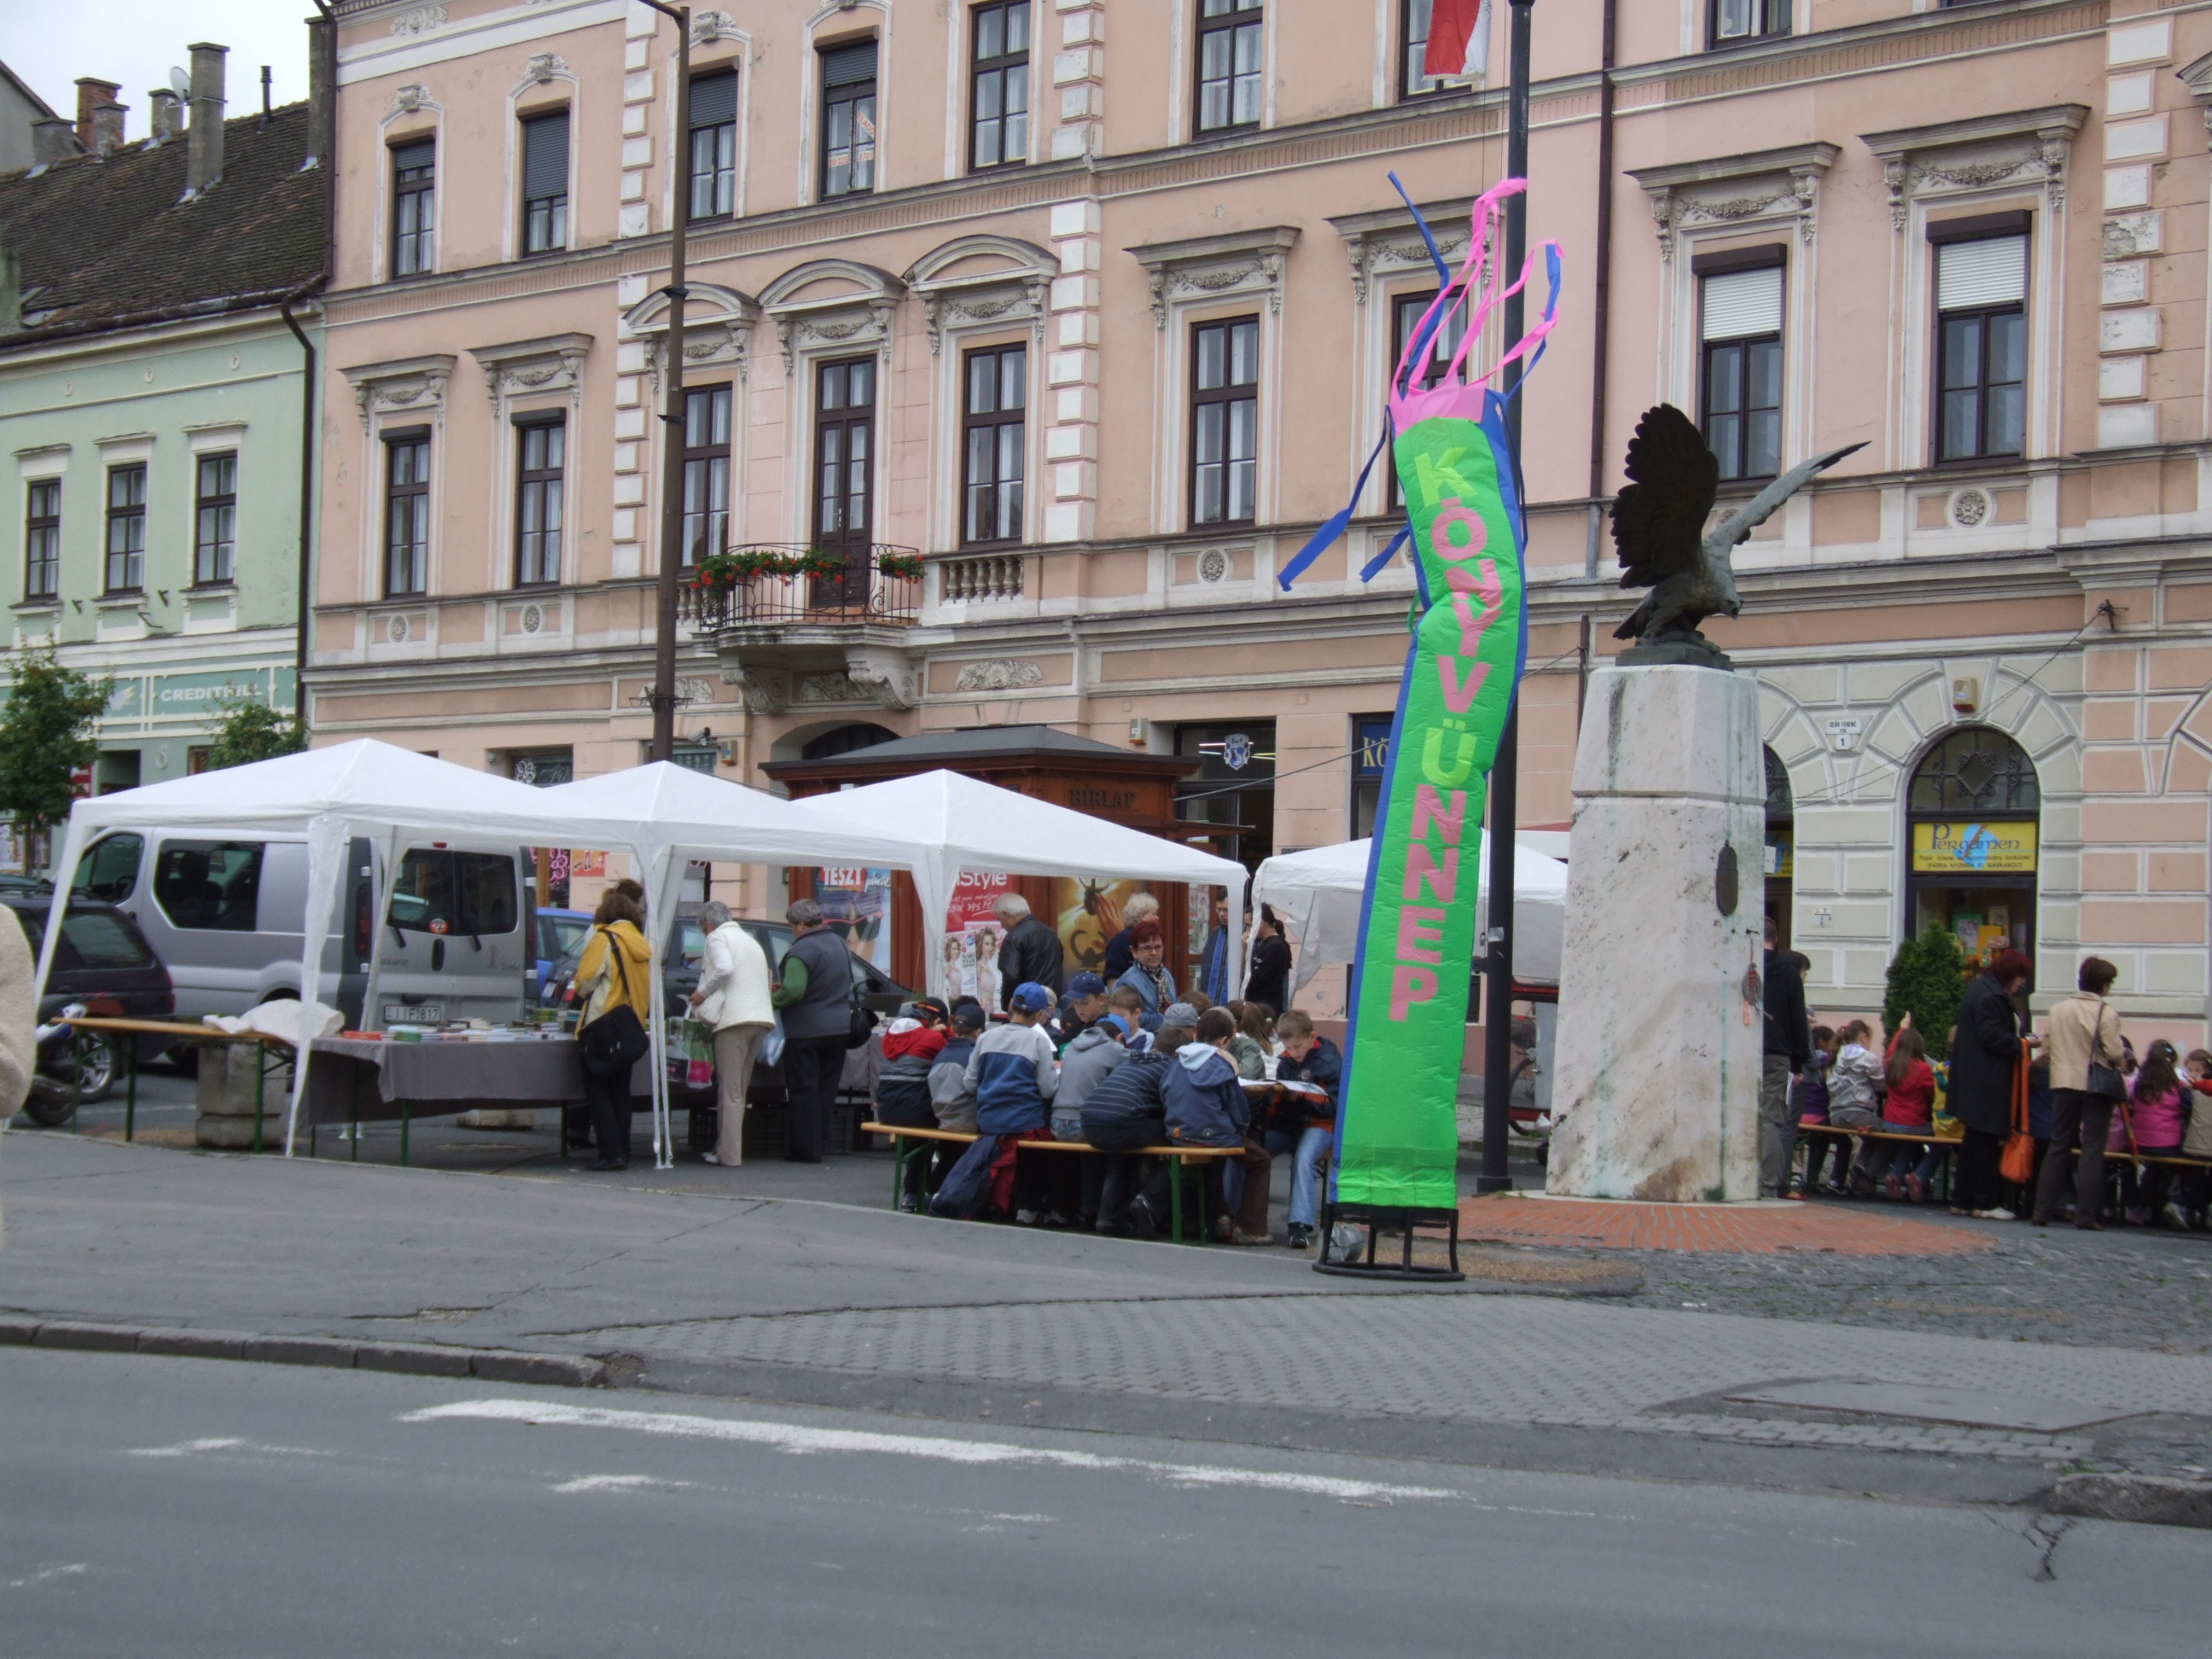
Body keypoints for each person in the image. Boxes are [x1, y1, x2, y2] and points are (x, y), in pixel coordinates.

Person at [2033, 956, 2129, 1231]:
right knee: (2092, 1150)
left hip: (2063, 1081)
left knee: (2058, 1146)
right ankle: (2086, 1215)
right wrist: (2122, 1060)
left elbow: (2047, 1049)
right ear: (2104, 984)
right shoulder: (2106, 1012)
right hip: (2095, 1084)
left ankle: (2041, 1211)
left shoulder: (2058, 1010)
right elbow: (2114, 1052)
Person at [1163, 1006, 1271, 1244]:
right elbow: (1237, 1109)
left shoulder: (1177, 1060)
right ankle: (1251, 1227)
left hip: (1178, 1133)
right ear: (1223, 1041)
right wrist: (1241, 1129)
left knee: (1214, 1159)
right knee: (1260, 1160)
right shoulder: (1221, 1063)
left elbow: (1165, 1093)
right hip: (1215, 1135)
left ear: (1196, 1034)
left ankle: (1219, 1218)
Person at [1944, 947, 2033, 1218]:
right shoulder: (1990, 996)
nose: (2022, 983)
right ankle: (1984, 1203)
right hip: (1986, 1080)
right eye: (2021, 976)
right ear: (2010, 973)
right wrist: (2023, 1043)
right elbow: (1991, 1035)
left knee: (1973, 1140)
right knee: (1984, 1142)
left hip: (1976, 1078)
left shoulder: (1981, 990)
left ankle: (1962, 1199)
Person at [964, 981, 1062, 1221]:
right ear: (1039, 1015)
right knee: (1050, 1149)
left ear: (1010, 1006)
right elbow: (1048, 1090)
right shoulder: (1038, 1041)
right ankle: (1031, 1207)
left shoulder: (986, 1038)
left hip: (988, 1122)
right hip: (1024, 1124)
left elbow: (970, 1084)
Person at [687, 901, 774, 1167]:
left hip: (733, 1020)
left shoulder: (717, 937)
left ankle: (729, 1154)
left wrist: (701, 993)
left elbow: (724, 968)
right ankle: (727, 1149)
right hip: (761, 1018)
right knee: (739, 1091)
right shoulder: (750, 941)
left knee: (730, 1091)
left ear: (708, 925)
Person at [573, 882, 653, 1171]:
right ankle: (623, 1148)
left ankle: (610, 1152)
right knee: (620, 1091)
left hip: (603, 1023)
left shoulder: (604, 938)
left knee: (598, 1091)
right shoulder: (640, 943)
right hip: (630, 1025)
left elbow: (585, 982)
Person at [772, 897, 858, 1165]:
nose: (792, 931)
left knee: (803, 1089)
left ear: (800, 924)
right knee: (826, 1089)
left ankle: (805, 1150)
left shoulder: (802, 949)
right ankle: (821, 1143)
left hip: (806, 1030)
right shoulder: (839, 943)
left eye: (792, 926)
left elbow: (794, 991)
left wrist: (773, 999)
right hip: (839, 1028)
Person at [1080, 1027, 1179, 1237]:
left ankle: (1109, 1217)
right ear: (1179, 1053)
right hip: (1123, 1123)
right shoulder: (1170, 1068)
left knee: (1123, 1151)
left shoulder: (1129, 1061)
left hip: (1089, 1122)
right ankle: (1149, 1201)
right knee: (1182, 1139)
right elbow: (1175, 1107)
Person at [1270, 1008, 1341, 1251]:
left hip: (1320, 1123)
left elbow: (1334, 1106)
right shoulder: (1286, 1061)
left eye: (1298, 1046)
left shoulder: (1329, 1061)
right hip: (1292, 1122)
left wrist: (1300, 1097)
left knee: (1303, 1158)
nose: (1294, 1053)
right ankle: (1237, 1218)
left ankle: (1299, 1225)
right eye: (1288, 1048)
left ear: (1312, 1037)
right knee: (1255, 1150)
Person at [874, 998, 950, 1211]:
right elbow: (954, 1051)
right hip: (916, 1112)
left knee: (918, 1142)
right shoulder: (933, 1039)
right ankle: (929, 1192)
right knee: (951, 1139)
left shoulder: (890, 1037)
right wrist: (944, 1032)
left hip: (887, 1110)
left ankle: (911, 1195)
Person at [1759, 917, 1812, 1200]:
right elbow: (1797, 1021)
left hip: (1744, 1053)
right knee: (1770, 1120)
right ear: (1776, 940)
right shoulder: (1789, 973)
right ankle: (1767, 1185)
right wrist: (1799, 1062)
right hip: (1776, 1053)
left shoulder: (1745, 966)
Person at [2119, 1038, 2187, 1228]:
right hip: (2169, 1145)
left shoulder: (2139, 1083)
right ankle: (2168, 1206)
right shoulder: (2177, 1085)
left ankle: (2145, 1206)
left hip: (2141, 1143)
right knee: (2173, 1167)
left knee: (2152, 1170)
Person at [1869, 1018, 1936, 1202]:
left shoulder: (1890, 1064)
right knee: (1939, 1139)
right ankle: (1918, 1177)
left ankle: (1896, 1176)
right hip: (1913, 1123)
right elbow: (1932, 1090)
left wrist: (1901, 1030)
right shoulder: (1922, 1068)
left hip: (1890, 1122)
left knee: (1910, 1141)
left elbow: (1891, 1050)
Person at [1826, 1020, 1884, 1195]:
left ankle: (1836, 1181)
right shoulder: (1866, 1057)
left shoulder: (1837, 1054)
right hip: (1857, 1112)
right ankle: (1861, 1169)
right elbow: (1881, 1084)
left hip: (1835, 1114)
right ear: (1864, 1037)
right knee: (1887, 1134)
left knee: (1845, 1142)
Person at [1794, 1026, 1842, 1196]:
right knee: (1828, 1139)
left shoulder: (1803, 1060)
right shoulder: (1828, 1061)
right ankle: (1817, 1178)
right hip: (1818, 1115)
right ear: (1822, 1042)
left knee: (1804, 1139)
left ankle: (1798, 1176)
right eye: (1833, 1042)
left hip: (1799, 1114)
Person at [993, 893, 1064, 1010]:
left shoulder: (1014, 937)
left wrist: (1008, 1007)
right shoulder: (1051, 934)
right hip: (1052, 1005)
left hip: (1027, 1008)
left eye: (1000, 920)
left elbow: (1010, 976)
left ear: (1006, 914)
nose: (1001, 926)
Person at [929, 1001, 985, 1132]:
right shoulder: (976, 1057)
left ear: (952, 1029)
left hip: (943, 1123)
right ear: (978, 1033)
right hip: (972, 1125)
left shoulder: (939, 1056)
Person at [1115, 917, 1177, 1016]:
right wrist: (1171, 1019)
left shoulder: (1165, 974)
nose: (1154, 953)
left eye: (1158, 947)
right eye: (1147, 948)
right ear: (1134, 951)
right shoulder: (1127, 982)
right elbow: (1135, 1018)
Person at [1102, 891, 1161, 983]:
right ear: (1142, 916)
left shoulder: (1154, 939)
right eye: (1153, 914)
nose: (1157, 918)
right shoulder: (1120, 940)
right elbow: (1112, 976)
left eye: (1158, 947)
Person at [1244, 905, 1292, 1019]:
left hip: (1267, 1010)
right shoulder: (1264, 944)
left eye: (1249, 925)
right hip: (1261, 1008)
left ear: (1261, 923)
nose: (1247, 930)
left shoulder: (1275, 946)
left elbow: (1255, 979)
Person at [1051, 971, 1110, 1049]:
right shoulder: (1072, 1031)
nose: (1079, 1008)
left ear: (1102, 999)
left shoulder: (1109, 1029)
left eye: (1085, 1003)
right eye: (1075, 1002)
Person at [1197, 892, 1231, 1003]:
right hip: (1210, 1000)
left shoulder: (1244, 935)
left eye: (1226, 910)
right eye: (1219, 910)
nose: (1222, 914)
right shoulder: (1215, 934)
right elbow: (1206, 970)